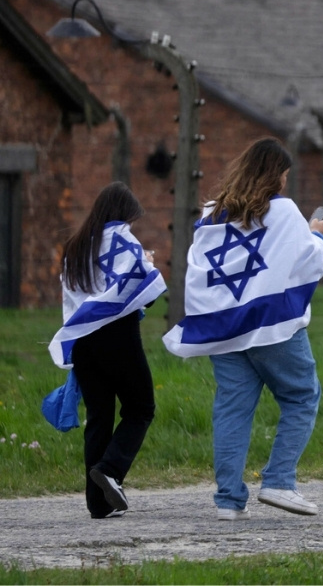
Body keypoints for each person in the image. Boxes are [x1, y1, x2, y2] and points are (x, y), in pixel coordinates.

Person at [162, 138, 323, 520]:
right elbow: (308, 261)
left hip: (223, 326)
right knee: (302, 396)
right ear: (275, 175)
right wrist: (316, 234)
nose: (286, 182)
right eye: (284, 174)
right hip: (270, 324)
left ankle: (228, 501)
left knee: (232, 409)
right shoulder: (284, 212)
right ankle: (279, 482)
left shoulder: (210, 214)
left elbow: (209, 267)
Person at [50, 182, 166, 519]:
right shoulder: (123, 240)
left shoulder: (75, 247)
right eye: (132, 219)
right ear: (122, 215)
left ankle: (97, 504)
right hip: (118, 337)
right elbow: (143, 289)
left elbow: (74, 299)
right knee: (141, 407)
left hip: (84, 338)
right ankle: (111, 470)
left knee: (98, 417)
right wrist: (147, 264)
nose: (132, 226)